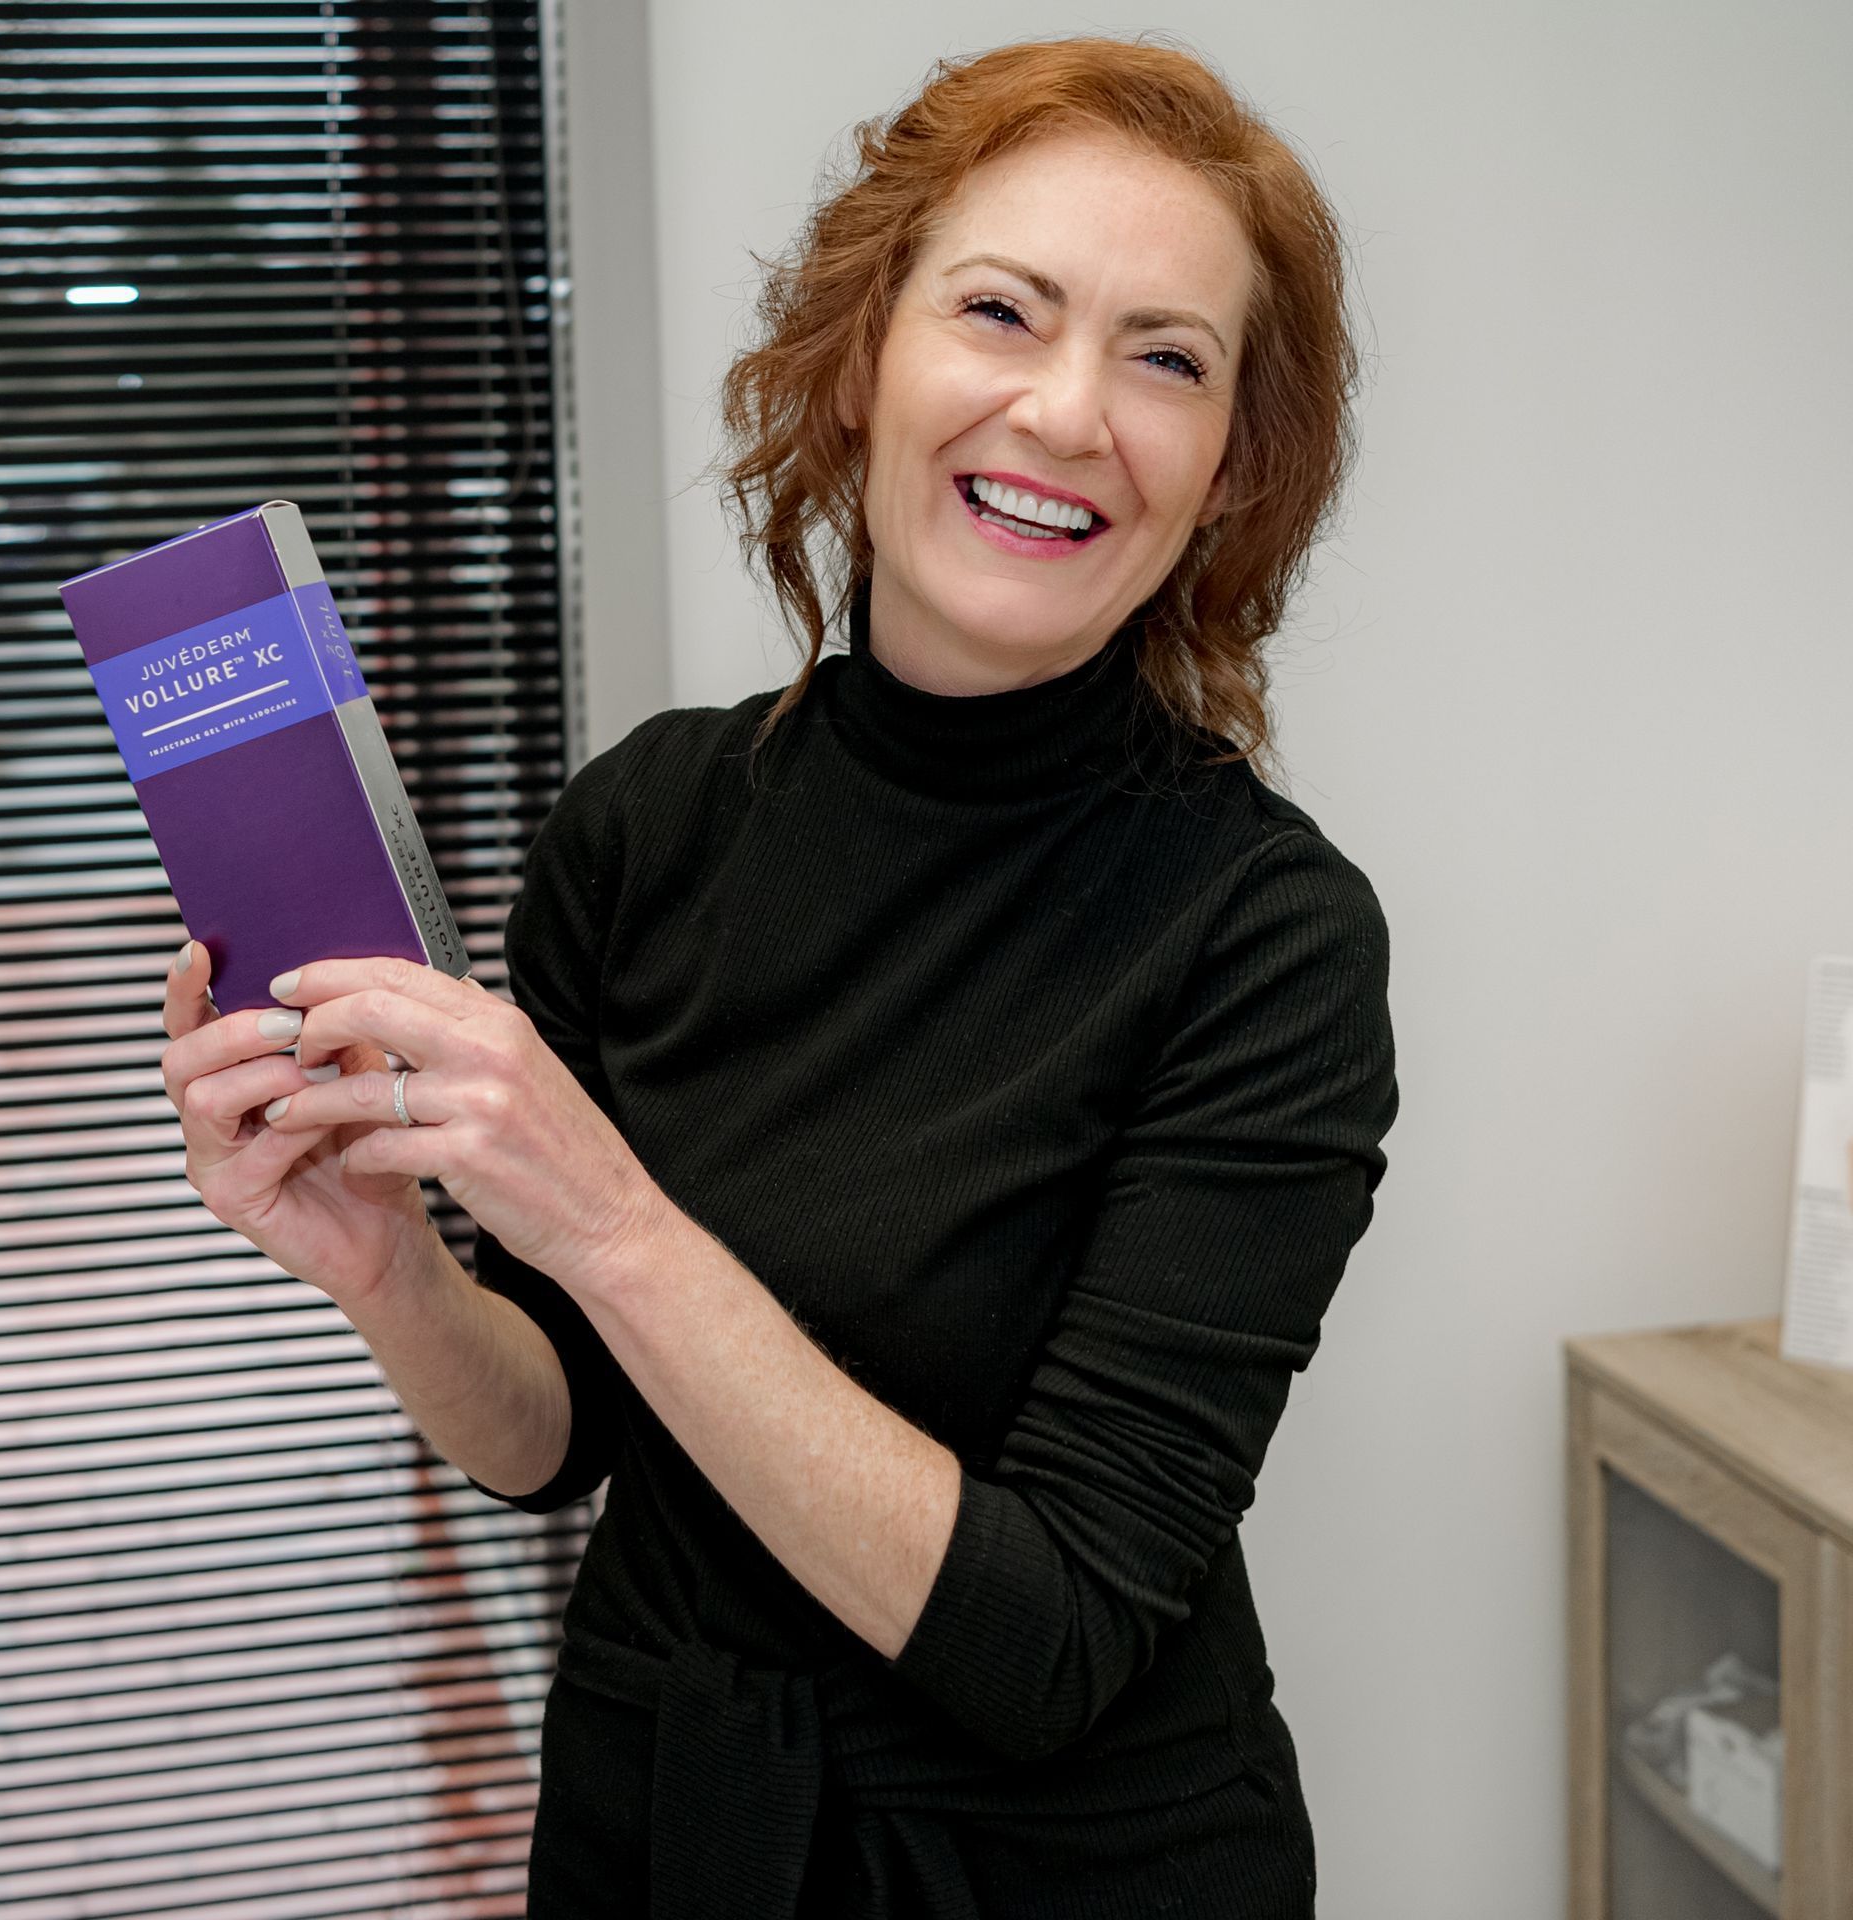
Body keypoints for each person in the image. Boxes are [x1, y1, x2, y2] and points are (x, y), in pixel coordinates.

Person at [159, 31, 1398, 1919]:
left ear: (1228, 470)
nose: (1070, 413)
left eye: (1168, 357)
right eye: (1003, 312)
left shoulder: (1267, 937)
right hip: (665, 1823)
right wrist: (392, 1270)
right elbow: (552, 1434)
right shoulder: (648, 825)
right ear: (864, 359)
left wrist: (605, 1212)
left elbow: (1044, 1633)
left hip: (1062, 1868)